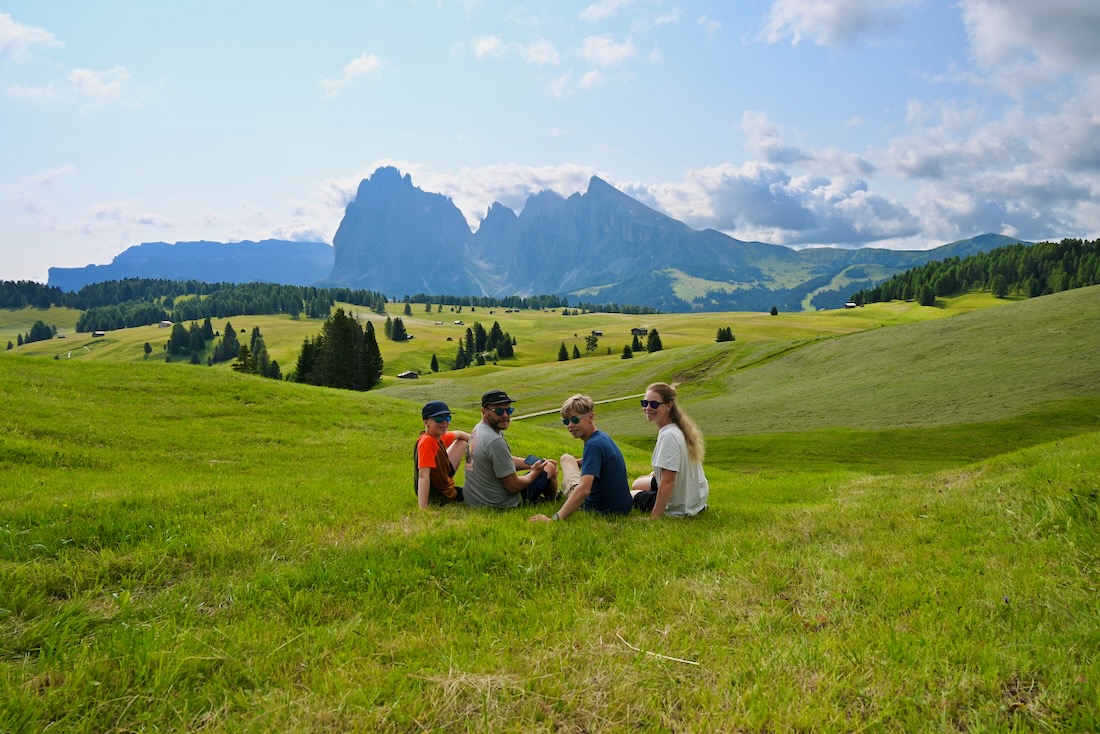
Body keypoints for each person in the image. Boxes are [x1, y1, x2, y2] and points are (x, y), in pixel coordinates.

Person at [530, 394, 632, 522]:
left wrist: (553, 519)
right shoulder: (602, 437)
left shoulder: (593, 445)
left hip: (600, 509)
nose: (570, 425)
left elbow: (583, 490)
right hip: (623, 507)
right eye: (566, 421)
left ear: (591, 417)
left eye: (575, 419)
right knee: (567, 458)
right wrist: (582, 462)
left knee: (567, 462)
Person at [463, 389, 558, 509]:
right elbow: (514, 486)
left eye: (509, 410)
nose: (505, 415)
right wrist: (535, 472)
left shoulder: (479, 429)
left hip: (475, 499)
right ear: (484, 412)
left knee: (545, 464)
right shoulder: (494, 441)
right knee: (550, 467)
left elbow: (501, 461)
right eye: (499, 411)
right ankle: (552, 502)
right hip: (499, 504)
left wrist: (535, 463)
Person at [631, 382, 709, 518]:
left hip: (679, 505)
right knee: (637, 483)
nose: (648, 408)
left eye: (654, 404)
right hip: (695, 499)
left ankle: (654, 504)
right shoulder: (678, 429)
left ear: (668, 406)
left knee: (630, 494)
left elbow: (668, 481)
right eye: (645, 403)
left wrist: (654, 517)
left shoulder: (669, 435)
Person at [414, 400, 470, 510]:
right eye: (439, 419)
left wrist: (482, 443)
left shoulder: (439, 436)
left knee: (462, 442)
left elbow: (459, 434)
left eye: (447, 418)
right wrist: (423, 509)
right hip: (439, 495)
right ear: (426, 423)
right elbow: (423, 476)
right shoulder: (427, 442)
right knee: (478, 495)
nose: (444, 422)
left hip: (442, 486)